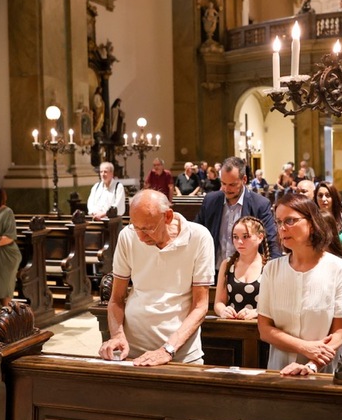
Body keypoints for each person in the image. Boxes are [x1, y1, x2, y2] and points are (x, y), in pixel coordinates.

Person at [99, 189, 214, 365]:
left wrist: (168, 349)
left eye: (147, 228)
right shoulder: (128, 236)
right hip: (133, 351)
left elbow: (200, 306)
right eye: (136, 227)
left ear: (167, 216)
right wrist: (117, 335)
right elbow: (116, 299)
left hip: (181, 354)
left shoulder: (199, 237)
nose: (141, 236)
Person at [257, 193, 342, 376]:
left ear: (312, 224)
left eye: (290, 221)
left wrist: (312, 364)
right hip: (281, 369)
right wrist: (305, 347)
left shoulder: (338, 268)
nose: (282, 228)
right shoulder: (271, 269)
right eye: (279, 222)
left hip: (323, 369)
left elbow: (339, 331)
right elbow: (265, 329)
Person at [195, 156, 281, 270]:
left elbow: (271, 241)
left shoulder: (260, 204)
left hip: (247, 273)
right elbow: (197, 232)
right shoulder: (211, 201)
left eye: (232, 184)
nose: (226, 189)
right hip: (214, 270)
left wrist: (274, 271)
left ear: (244, 180)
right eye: (223, 183)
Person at [214, 216, 270, 320]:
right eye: (235, 237)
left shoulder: (269, 266)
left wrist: (256, 312)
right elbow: (219, 302)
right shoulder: (227, 264)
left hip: (260, 327)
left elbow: (275, 305)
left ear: (260, 237)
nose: (239, 241)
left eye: (246, 236)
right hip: (232, 326)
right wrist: (222, 310)